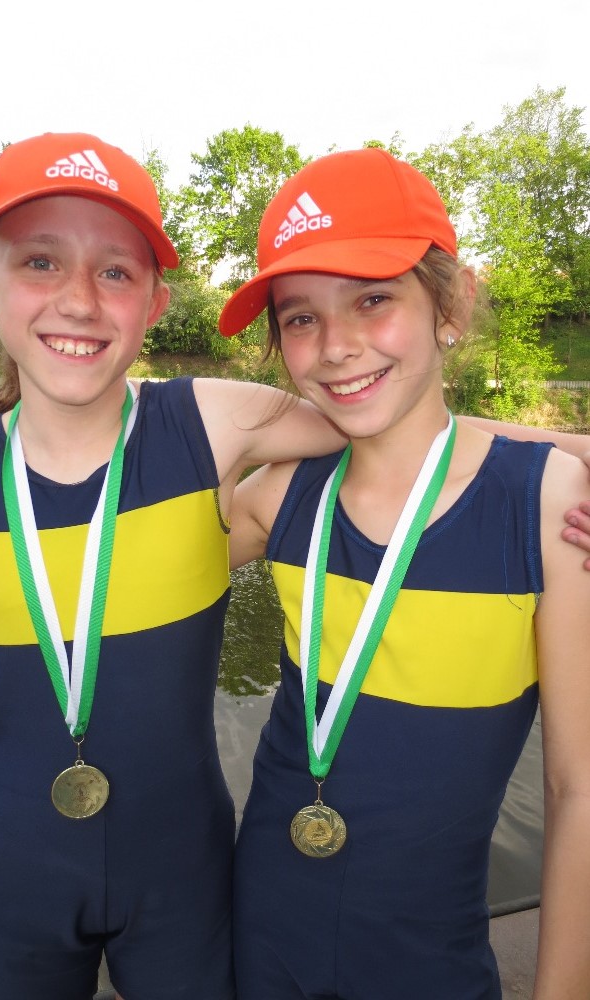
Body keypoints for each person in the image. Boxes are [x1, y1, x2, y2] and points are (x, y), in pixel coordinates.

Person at [0, 131, 353, 1000]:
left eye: (115, 271)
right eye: (40, 261)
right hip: (15, 878)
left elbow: (401, 429)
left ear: (155, 301)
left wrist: (563, 460)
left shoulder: (210, 423)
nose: (79, 300)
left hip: (185, 874)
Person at [217, 148, 590, 999]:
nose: (336, 346)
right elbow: (111, 535)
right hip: (259, 937)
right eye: (299, 318)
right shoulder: (277, 496)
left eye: (372, 299)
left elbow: (576, 788)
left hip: (429, 959)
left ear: (449, 306)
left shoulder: (545, 507)